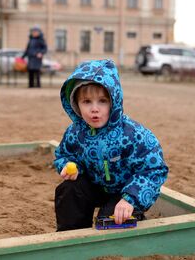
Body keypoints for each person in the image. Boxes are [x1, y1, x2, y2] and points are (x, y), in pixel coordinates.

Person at [54, 60, 168, 231]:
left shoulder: (133, 134)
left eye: (102, 101)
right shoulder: (76, 132)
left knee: (110, 221)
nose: (94, 109)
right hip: (96, 186)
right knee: (69, 189)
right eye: (86, 102)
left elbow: (154, 169)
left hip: (125, 192)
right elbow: (64, 154)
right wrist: (69, 165)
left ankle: (135, 215)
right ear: (76, 104)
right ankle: (70, 235)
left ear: (114, 101)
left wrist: (131, 199)